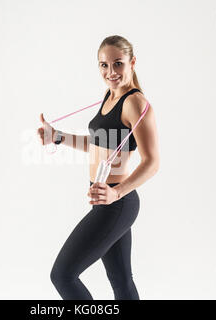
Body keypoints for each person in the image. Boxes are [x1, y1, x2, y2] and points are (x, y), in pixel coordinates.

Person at [37, 35, 160, 300]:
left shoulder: (135, 103)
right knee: (121, 280)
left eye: (118, 64)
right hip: (104, 199)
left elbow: (152, 162)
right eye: (104, 65)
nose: (111, 72)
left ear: (132, 63)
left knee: (63, 275)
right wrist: (57, 137)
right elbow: (99, 145)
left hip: (117, 201)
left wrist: (117, 193)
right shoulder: (110, 96)